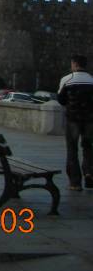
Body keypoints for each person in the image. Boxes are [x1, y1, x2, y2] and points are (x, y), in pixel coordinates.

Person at [57, 54, 93, 191]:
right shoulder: (91, 80)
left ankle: (75, 182)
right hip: (90, 120)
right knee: (88, 147)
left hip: (73, 120)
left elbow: (61, 99)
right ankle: (89, 173)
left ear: (74, 64)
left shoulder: (67, 80)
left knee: (72, 150)